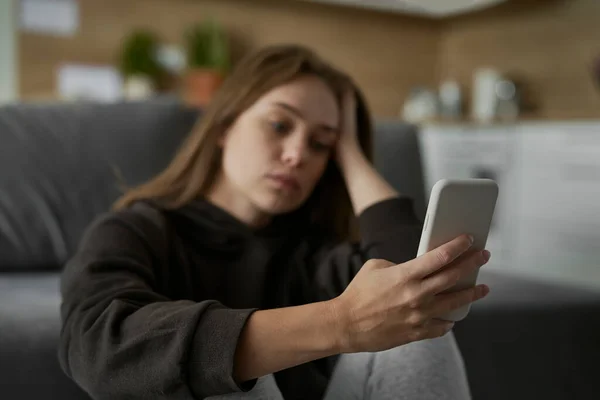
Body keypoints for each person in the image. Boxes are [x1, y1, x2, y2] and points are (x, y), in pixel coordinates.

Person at [58, 44, 491, 400]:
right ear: (224, 127)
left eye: (320, 144)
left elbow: (424, 289)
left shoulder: (313, 253)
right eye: (280, 125)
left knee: (416, 335)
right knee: (223, 377)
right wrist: (341, 322)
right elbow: (99, 346)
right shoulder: (136, 230)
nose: (297, 154)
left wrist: (350, 152)